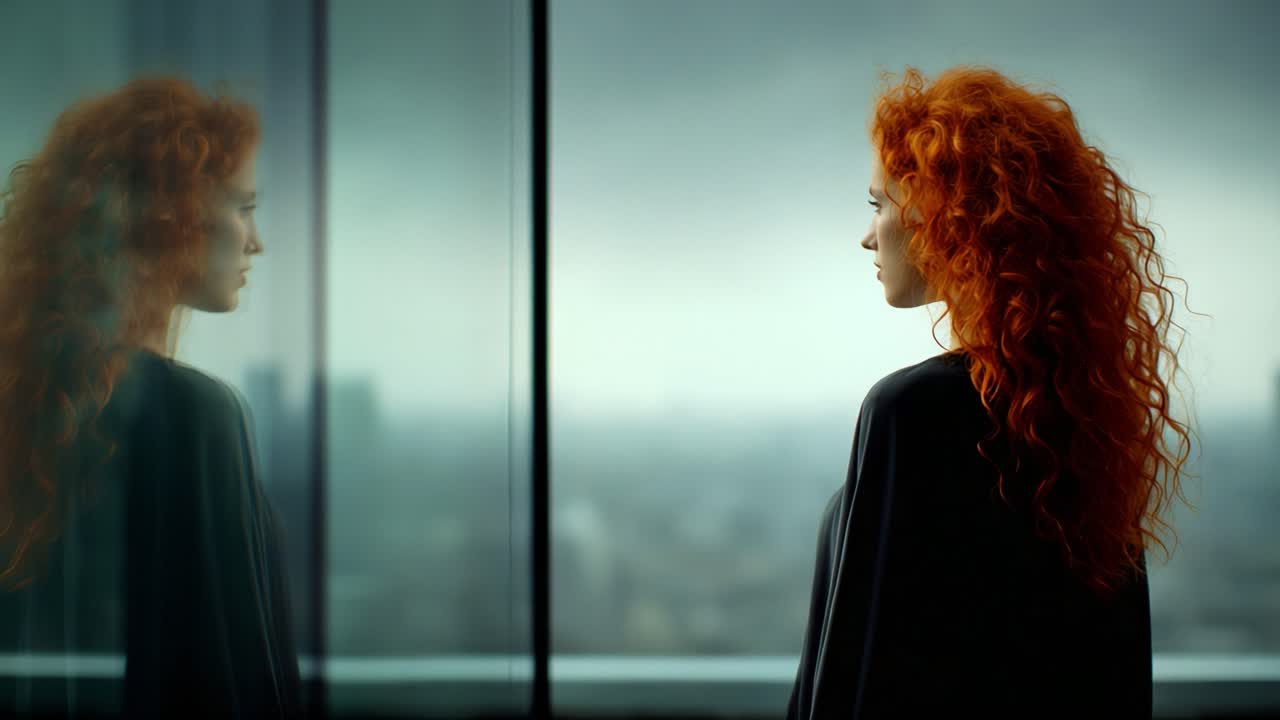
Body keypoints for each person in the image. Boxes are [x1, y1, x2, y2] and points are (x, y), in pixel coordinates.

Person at [786, 65, 1197, 719]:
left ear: (946, 218)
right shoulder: (1086, 421)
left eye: (880, 204)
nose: (867, 234)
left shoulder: (912, 412)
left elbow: (867, 683)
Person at [0, 75, 301, 718]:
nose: (256, 240)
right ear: (175, 212)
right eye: (244, 207)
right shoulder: (194, 413)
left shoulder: (45, 407)